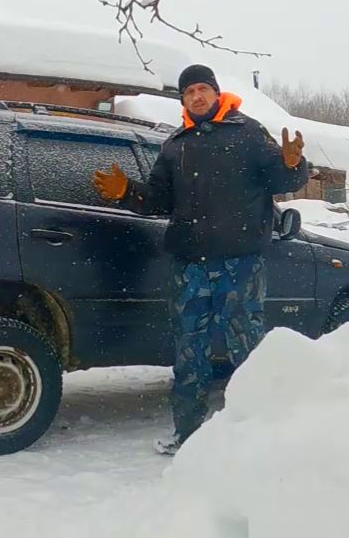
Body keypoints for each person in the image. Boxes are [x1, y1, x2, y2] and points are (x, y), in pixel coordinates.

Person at [92, 64, 309, 455]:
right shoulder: (175, 146)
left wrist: (293, 164)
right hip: (190, 266)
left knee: (246, 350)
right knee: (189, 353)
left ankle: (256, 433)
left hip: (240, 265)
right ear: (183, 100)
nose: (196, 96)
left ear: (215, 92)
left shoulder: (247, 133)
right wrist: (127, 191)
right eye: (189, 91)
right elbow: (157, 200)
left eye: (203, 89)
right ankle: (187, 434)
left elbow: (283, 181)